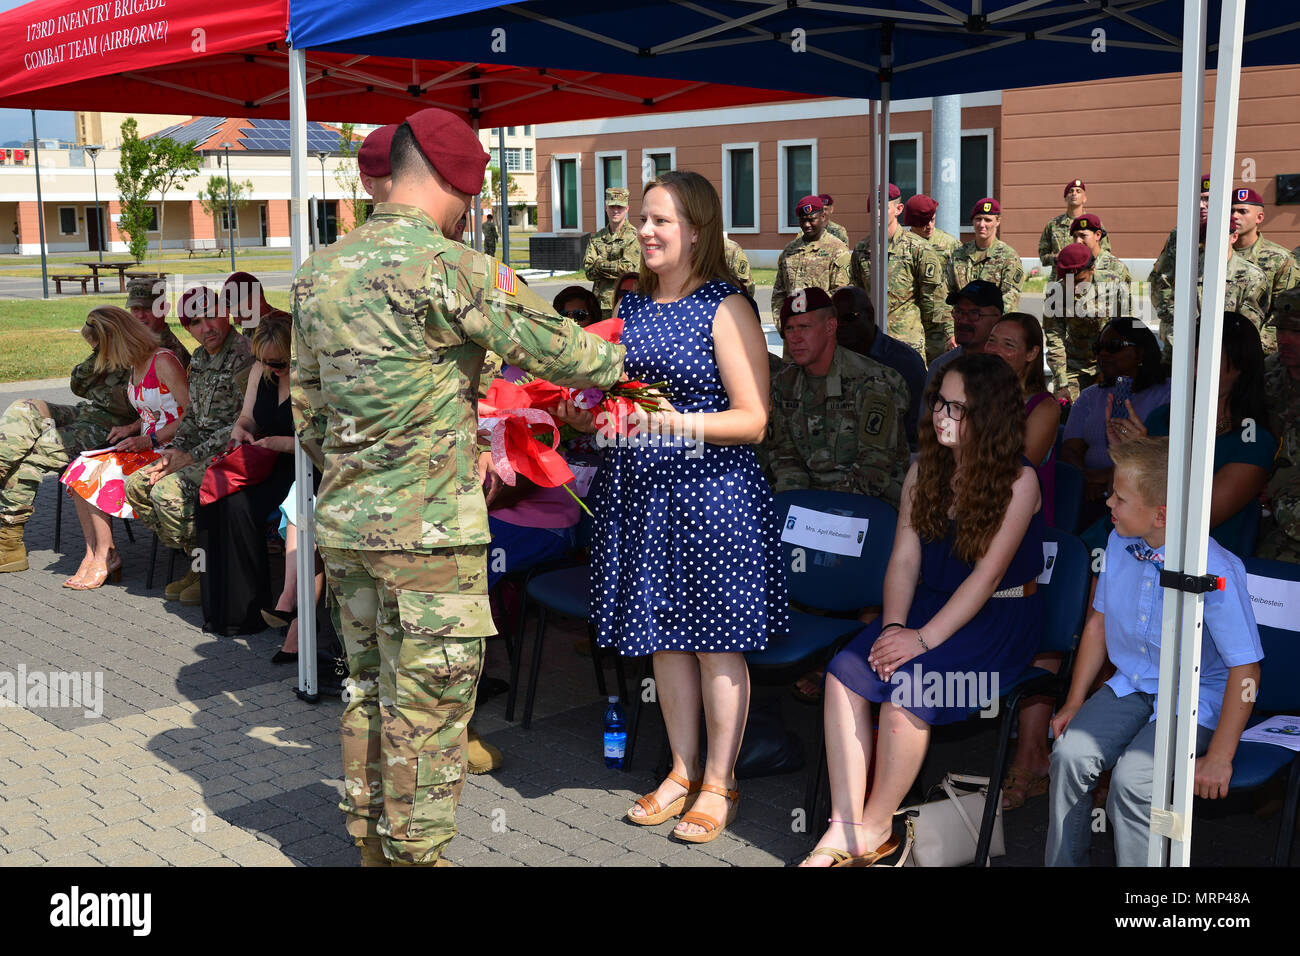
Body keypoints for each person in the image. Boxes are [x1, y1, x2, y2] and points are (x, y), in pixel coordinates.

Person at [291, 108, 624, 867]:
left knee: (369, 694)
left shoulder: (319, 272)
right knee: (433, 710)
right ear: (458, 182)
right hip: (431, 537)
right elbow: (556, 348)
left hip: (347, 527)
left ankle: (372, 846)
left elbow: (307, 408)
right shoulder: (450, 266)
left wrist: (358, 471)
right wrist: (626, 357)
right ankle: (418, 856)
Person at [554, 170, 787, 844]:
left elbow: (753, 421)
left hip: (711, 500)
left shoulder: (727, 306)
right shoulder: (629, 310)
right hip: (640, 498)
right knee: (664, 645)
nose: (646, 232)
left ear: (697, 230)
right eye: (644, 220)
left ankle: (721, 782)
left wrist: (666, 423)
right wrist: (578, 414)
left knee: (716, 647)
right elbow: (610, 409)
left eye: (662, 221)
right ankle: (681, 773)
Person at [802, 353, 1045, 866]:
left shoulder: (1020, 482)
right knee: (846, 670)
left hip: (996, 618)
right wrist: (893, 626)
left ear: (990, 417)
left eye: (958, 408)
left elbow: (988, 577)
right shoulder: (924, 469)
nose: (942, 416)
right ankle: (843, 822)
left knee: (910, 688)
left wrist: (920, 640)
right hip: (930, 605)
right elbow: (905, 560)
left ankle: (874, 826)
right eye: (940, 402)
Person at [1046, 436, 1262, 866]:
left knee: (1134, 780)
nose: (1108, 503)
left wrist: (1220, 756)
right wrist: (1075, 699)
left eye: (1120, 498)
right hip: (1136, 681)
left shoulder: (1213, 570)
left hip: (1195, 696)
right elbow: (1098, 622)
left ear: (1160, 514)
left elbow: (1247, 668)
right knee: (1070, 753)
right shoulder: (1120, 541)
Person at [124, 287, 253, 606]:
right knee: (136, 485)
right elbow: (192, 415)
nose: (206, 327)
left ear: (225, 311)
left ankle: (210, 566)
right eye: (195, 322)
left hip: (236, 452)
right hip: (198, 449)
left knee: (166, 493)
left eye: (211, 315)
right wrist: (172, 452)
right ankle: (197, 560)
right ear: (187, 329)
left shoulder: (245, 356)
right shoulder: (198, 359)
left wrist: (188, 457)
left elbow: (242, 424)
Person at [982, 313, 1064, 809]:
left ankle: (1032, 756)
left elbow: (1019, 463)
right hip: (978, 532)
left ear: (1032, 354)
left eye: (1008, 345)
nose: (995, 349)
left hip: (1033, 538)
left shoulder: (1044, 405)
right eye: (992, 341)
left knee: (1043, 635)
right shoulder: (968, 392)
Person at [1112, 312, 1277, 556]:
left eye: (1207, 359)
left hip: (1196, 561)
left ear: (1241, 366)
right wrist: (1125, 454)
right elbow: (1117, 499)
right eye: (1190, 358)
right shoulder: (1163, 417)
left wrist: (1147, 455)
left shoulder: (1253, 440)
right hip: (1128, 543)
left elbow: (1196, 519)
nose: (1194, 370)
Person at [0, 306, 138, 573]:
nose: (140, 314)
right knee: (24, 407)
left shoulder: (148, 354)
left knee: (34, 455)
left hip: (114, 429)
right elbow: (78, 385)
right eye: (135, 308)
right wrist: (100, 351)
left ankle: (8, 544)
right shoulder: (107, 354)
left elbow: (159, 408)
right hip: (86, 414)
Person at [58, 307, 188, 589]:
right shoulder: (136, 363)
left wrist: (148, 439)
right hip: (149, 444)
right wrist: (131, 428)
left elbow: (189, 414)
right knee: (79, 468)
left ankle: (106, 554)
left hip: (171, 449)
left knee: (96, 473)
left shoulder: (163, 361)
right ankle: (93, 553)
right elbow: (154, 410)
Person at [195, 317, 297, 634]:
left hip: (301, 468)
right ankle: (225, 609)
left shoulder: (311, 380)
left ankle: (252, 607)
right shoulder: (260, 371)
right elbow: (247, 418)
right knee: (214, 499)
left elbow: (324, 441)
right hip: (264, 461)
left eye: (278, 362)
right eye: (264, 361)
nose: (271, 368)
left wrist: (283, 443)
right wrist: (242, 430)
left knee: (239, 508)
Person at [766, 287, 910, 507]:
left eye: (804, 327)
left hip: (869, 505)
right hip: (809, 504)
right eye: (789, 329)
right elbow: (785, 458)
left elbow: (874, 468)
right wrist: (795, 505)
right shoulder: (784, 384)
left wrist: (827, 514)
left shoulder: (871, 382)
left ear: (830, 326)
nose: (794, 338)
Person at [1059, 318, 1170, 534]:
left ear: (1140, 353)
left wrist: (1108, 478)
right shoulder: (1090, 396)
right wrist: (1087, 479)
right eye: (1099, 348)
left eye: (1114, 347)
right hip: (1088, 493)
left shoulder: (1168, 394)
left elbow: (1165, 454)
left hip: (1141, 499)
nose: (1103, 354)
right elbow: (1070, 449)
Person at [1149, 178, 1268, 350]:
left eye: (1208, 199)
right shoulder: (1181, 234)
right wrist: (1174, 320)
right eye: (1198, 199)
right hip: (1182, 340)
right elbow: (1161, 281)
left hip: (1231, 346)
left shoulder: (1252, 258)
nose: (1201, 205)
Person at [849, 183, 949, 364]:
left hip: (907, 344)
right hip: (871, 344)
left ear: (898, 209)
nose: (877, 213)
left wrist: (933, 349)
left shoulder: (918, 249)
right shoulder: (862, 250)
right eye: (874, 208)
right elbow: (858, 296)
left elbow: (933, 306)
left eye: (883, 207)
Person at [832, 285, 925, 451]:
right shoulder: (829, 360)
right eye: (834, 319)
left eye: (848, 318)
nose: (840, 325)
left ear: (869, 315)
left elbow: (917, 428)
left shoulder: (904, 362)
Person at [1042, 241, 1129, 400]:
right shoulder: (1056, 293)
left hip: (1110, 363)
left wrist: (1110, 370)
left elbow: (1125, 330)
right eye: (1069, 282)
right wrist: (1062, 384)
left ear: (1092, 270)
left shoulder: (1114, 284)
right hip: (1073, 365)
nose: (1074, 288)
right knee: (1068, 412)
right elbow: (1055, 338)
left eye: (1079, 281)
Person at [771, 195, 852, 324]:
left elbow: (840, 296)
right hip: (793, 331)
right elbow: (779, 293)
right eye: (802, 220)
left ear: (822, 217)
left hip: (822, 332)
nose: (806, 225)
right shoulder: (789, 251)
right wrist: (782, 325)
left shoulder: (838, 250)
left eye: (811, 220)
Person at [941, 198, 1024, 321]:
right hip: (961, 326)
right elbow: (944, 293)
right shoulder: (959, 254)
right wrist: (949, 331)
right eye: (978, 219)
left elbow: (1010, 301)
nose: (982, 224)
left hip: (991, 329)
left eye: (988, 220)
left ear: (998, 221)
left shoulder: (1009, 257)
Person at [1230, 186, 1297, 337]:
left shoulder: (1280, 259)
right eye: (1231, 210)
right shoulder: (1215, 255)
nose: (1234, 216)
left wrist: (1255, 350)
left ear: (1259, 218)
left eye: (1242, 211)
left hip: (1257, 352)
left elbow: (1283, 312)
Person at [923, 279, 1004, 392]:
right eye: (958, 311)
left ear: (997, 318)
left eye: (974, 313)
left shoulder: (1008, 369)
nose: (963, 321)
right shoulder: (940, 367)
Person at [582, 186, 641, 319]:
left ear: (627, 209)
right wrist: (615, 266)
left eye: (619, 207)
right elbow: (588, 272)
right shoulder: (597, 238)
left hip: (624, 302)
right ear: (605, 207)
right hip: (598, 304)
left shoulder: (633, 237)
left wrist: (599, 264)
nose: (615, 211)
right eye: (612, 206)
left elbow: (628, 269)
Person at [1038, 179, 1111, 269]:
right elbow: (1043, 255)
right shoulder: (1053, 225)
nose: (1074, 193)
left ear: (1084, 198)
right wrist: (1056, 258)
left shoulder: (1094, 223)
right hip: (1060, 277)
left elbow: (1105, 252)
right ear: (1065, 198)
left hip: (1087, 276)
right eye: (1071, 191)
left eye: (1078, 191)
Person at [124, 277, 191, 372]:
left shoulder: (171, 355)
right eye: (135, 309)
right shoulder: (128, 341)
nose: (140, 315)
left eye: (148, 309)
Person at [903, 194, 960, 262]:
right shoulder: (901, 244)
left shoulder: (950, 243)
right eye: (924, 223)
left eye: (932, 220)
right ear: (913, 222)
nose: (930, 226)